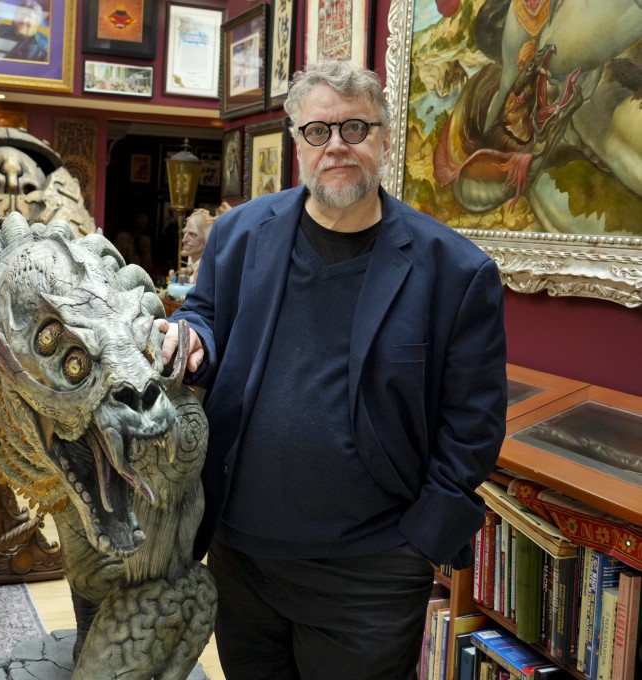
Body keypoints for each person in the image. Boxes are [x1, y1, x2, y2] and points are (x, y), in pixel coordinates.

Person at [155, 59, 508, 679]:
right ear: (298, 145)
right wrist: (193, 340)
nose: (336, 146)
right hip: (242, 559)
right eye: (318, 132)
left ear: (384, 138)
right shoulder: (239, 235)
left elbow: (473, 426)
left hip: (369, 573)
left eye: (355, 128)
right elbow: (207, 316)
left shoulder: (455, 271)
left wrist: (418, 545)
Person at [180, 208, 213, 284]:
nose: (184, 240)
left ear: (208, 238)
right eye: (184, 233)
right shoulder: (191, 262)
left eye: (192, 234)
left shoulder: (209, 270)